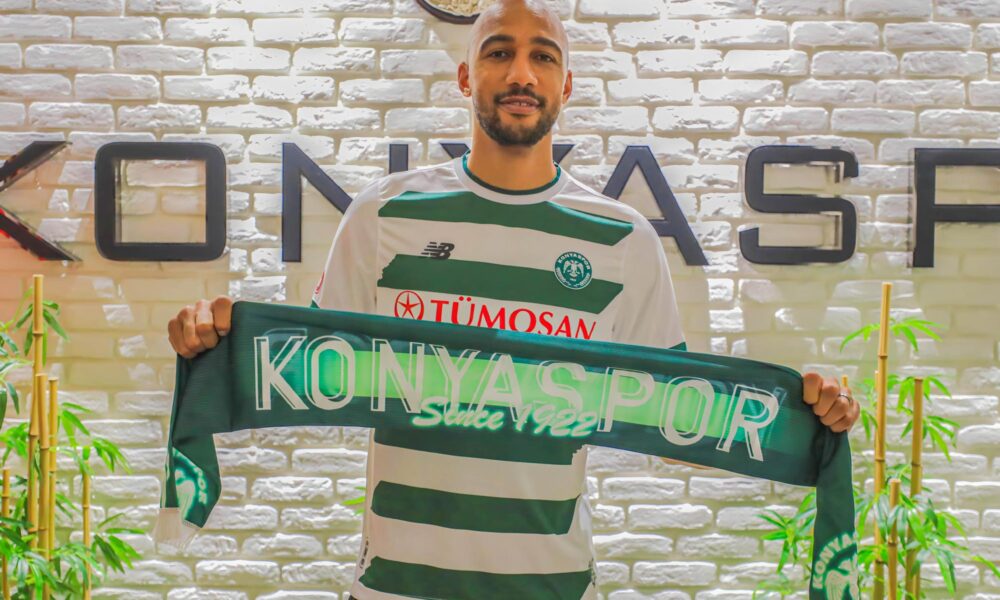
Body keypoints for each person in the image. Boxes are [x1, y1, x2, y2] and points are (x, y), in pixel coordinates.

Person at [167, 1, 860, 598]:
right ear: (466, 76)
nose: (521, 74)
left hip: (552, 584)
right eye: (499, 53)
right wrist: (218, 345)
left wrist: (804, 415)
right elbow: (311, 371)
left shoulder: (624, 239)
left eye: (542, 57)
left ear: (566, 84)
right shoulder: (383, 214)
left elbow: (677, 420)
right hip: (396, 586)